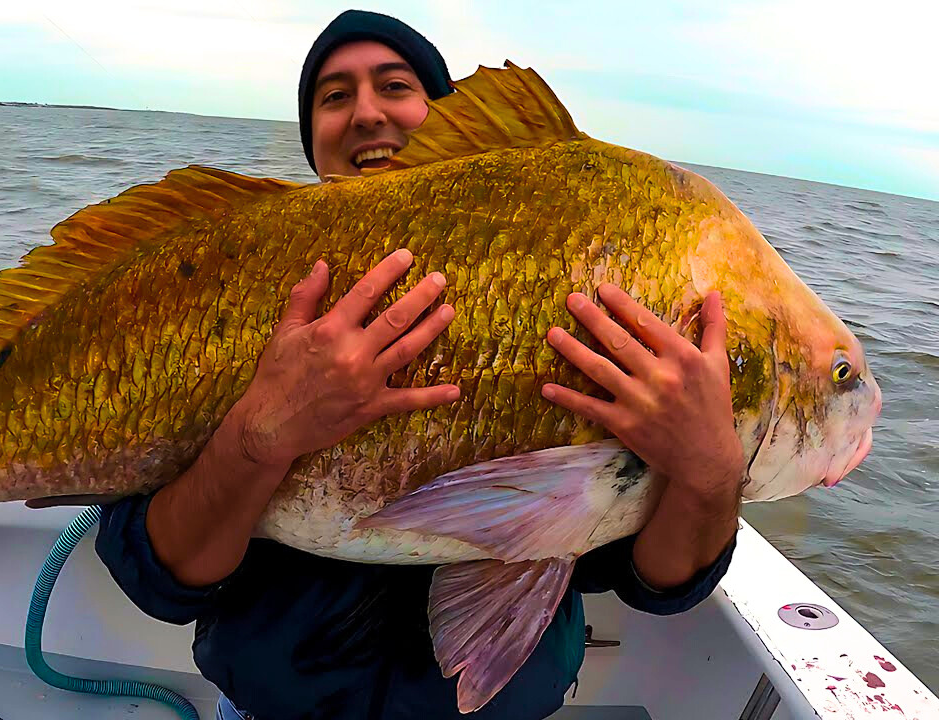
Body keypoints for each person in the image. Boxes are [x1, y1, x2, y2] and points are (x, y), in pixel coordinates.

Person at [94, 10, 744, 719]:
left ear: (448, 117)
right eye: (334, 96)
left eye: (395, 86)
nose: (366, 112)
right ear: (312, 135)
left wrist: (712, 471)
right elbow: (161, 581)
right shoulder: (237, 286)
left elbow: (652, 582)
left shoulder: (575, 294)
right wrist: (259, 435)